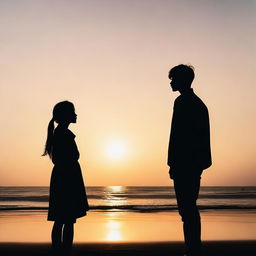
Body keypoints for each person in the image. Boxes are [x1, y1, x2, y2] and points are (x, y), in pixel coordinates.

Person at [167, 65, 212, 256]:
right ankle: (193, 247)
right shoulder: (196, 103)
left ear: (183, 80)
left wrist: (174, 163)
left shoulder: (185, 102)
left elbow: (179, 137)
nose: (171, 82)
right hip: (192, 164)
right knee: (188, 208)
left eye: (173, 79)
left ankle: (193, 249)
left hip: (186, 163)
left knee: (187, 209)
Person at [43, 101, 89, 255]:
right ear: (66, 115)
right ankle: (64, 251)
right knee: (67, 219)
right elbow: (68, 157)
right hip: (67, 178)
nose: (76, 115)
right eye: (73, 112)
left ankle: (59, 250)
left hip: (64, 177)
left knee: (62, 219)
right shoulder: (63, 134)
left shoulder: (60, 133)